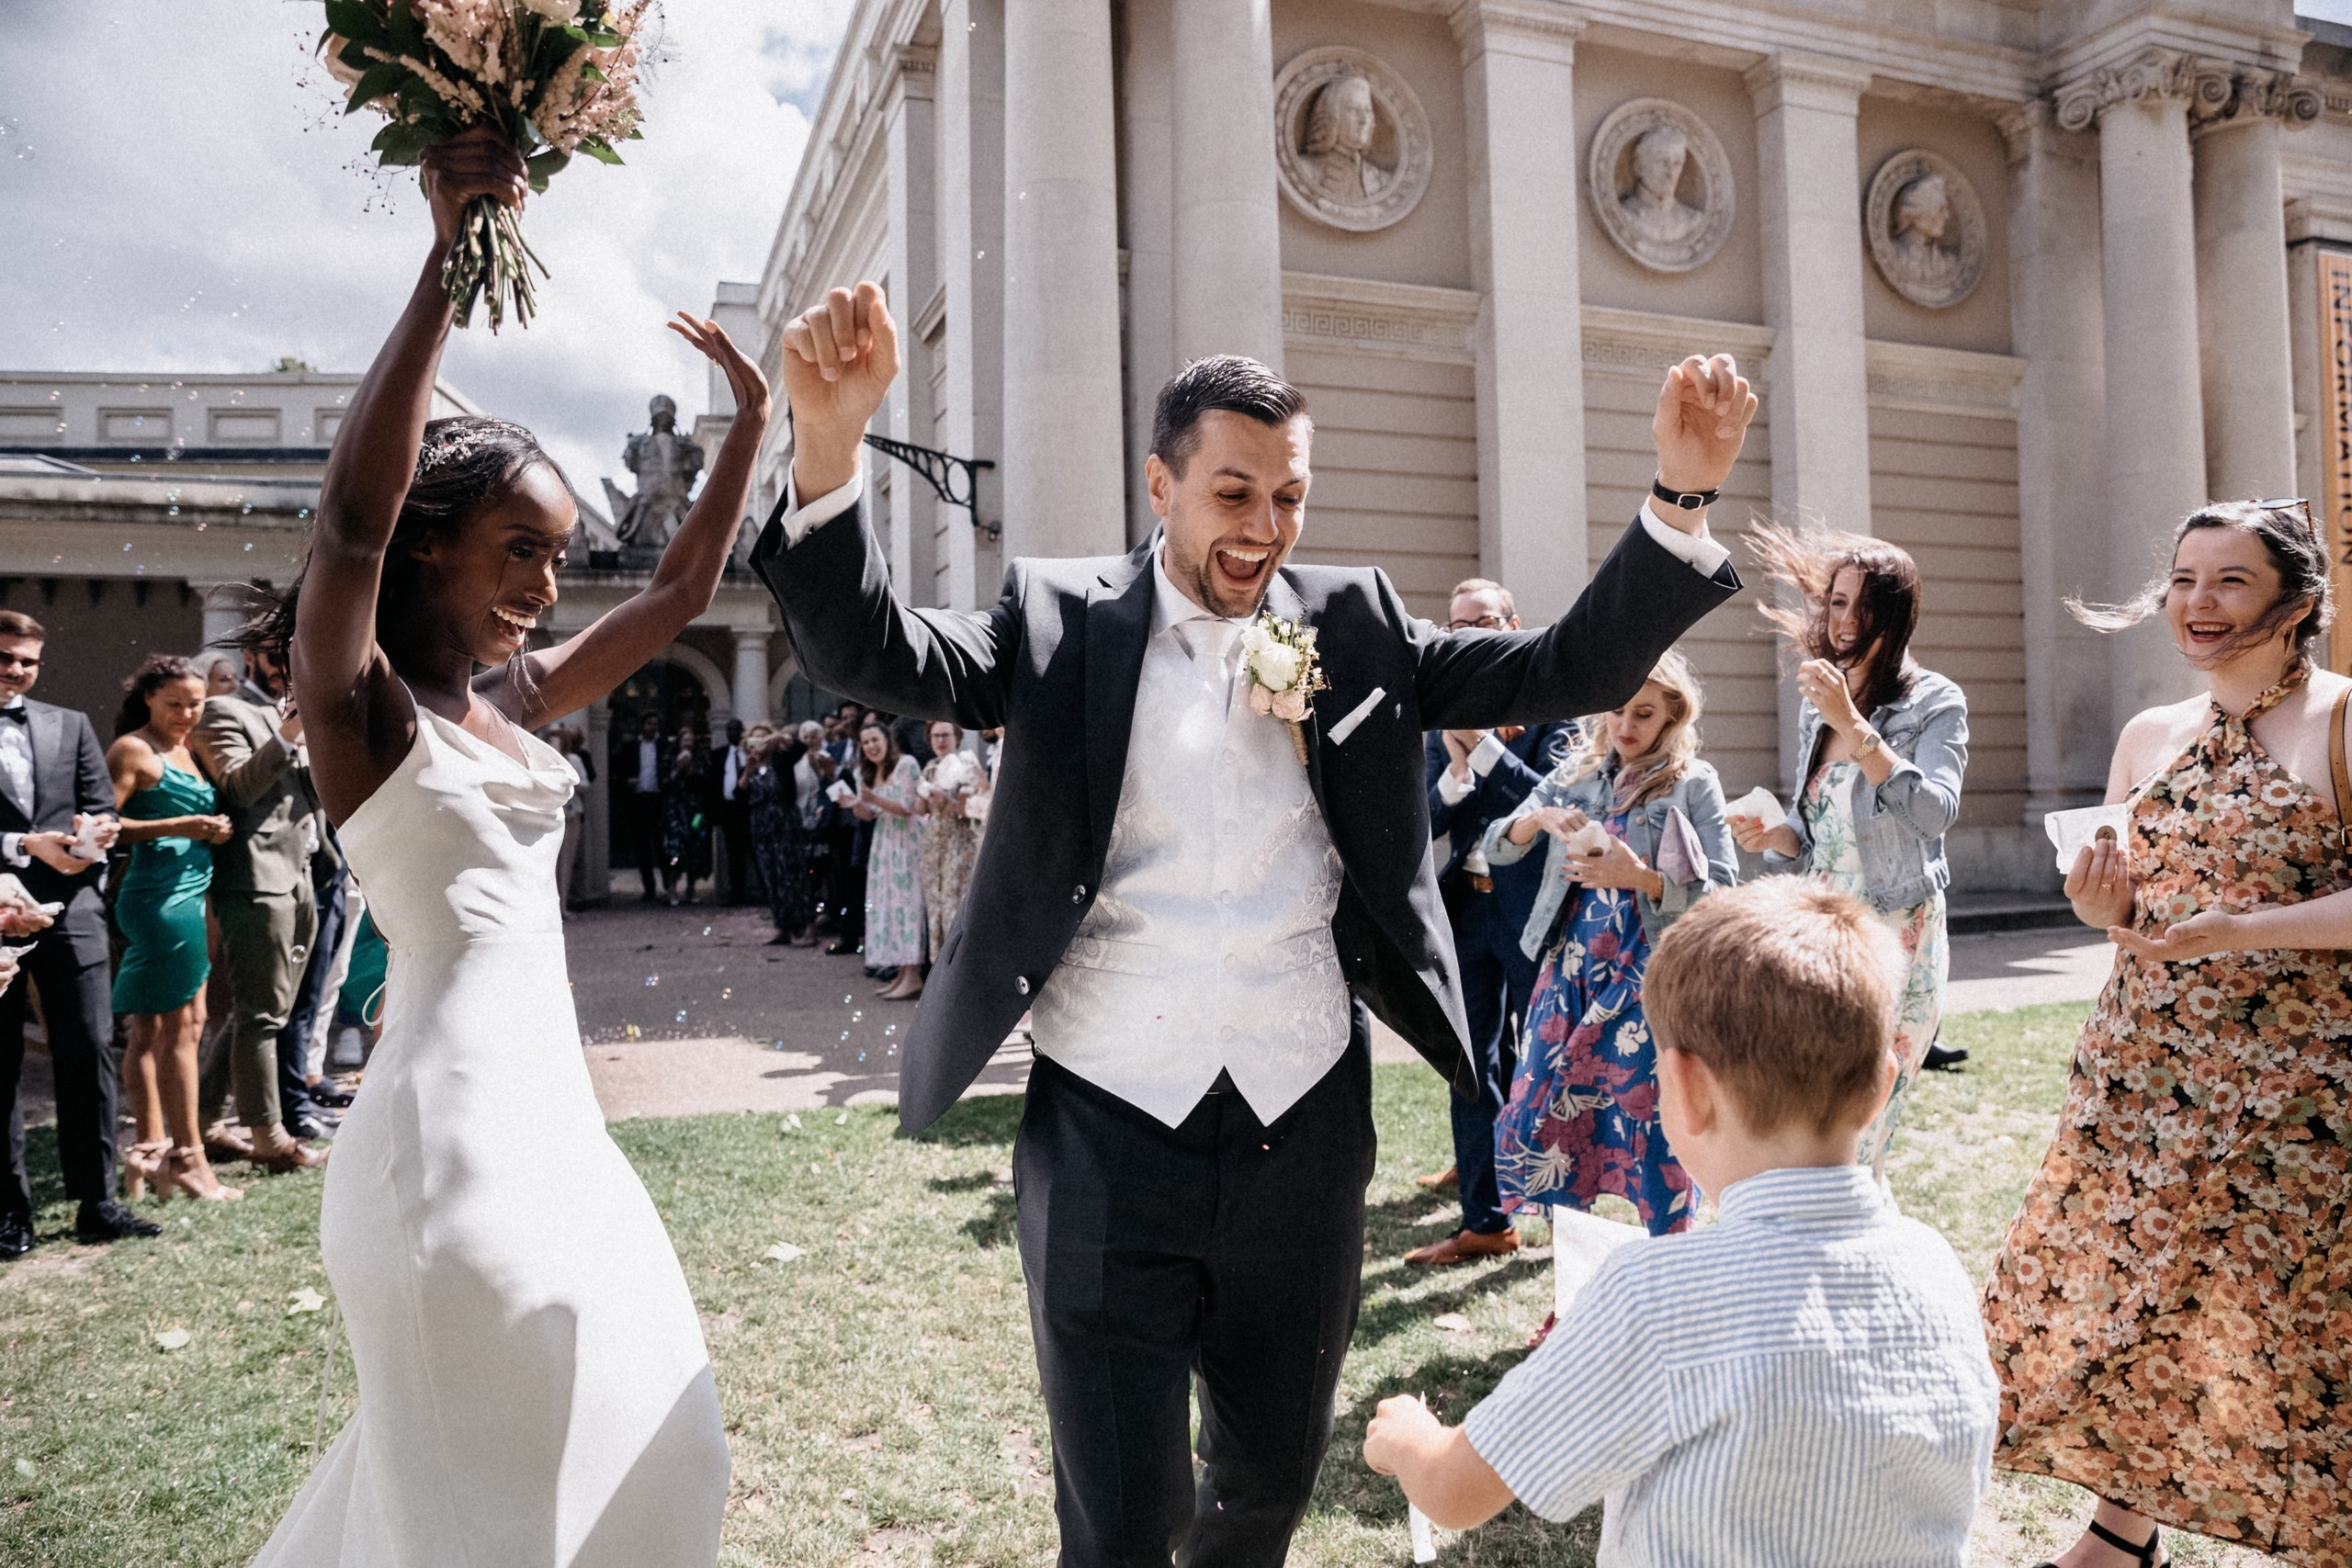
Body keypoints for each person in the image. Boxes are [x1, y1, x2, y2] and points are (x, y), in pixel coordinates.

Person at [751, 276, 1747, 1563]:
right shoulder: (1053, 622)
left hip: (1304, 1126)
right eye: (1234, 492)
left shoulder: (1358, 626)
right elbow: (871, 650)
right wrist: (827, 451)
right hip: (1106, 1122)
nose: (1266, 526)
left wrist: (1677, 500)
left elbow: (1568, 667)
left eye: (1289, 496)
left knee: (1266, 1485)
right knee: (1121, 1512)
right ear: (1159, 487)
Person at [239, 128, 765, 1565]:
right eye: (519, 551)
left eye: (554, 554)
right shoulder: (362, 710)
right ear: (428, 547)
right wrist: (443, 261)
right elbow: (348, 514)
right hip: (445, 1143)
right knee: (489, 1497)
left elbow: (678, 589)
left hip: (562, 1131)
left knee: (669, 1440)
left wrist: (753, 426)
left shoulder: (509, 699)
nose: (546, 585)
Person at [1362, 878, 1999, 1562]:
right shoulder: (1938, 1269)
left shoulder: (1655, 1295)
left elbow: (1457, 1489)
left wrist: (1409, 1438)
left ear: (1687, 1089)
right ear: (1882, 1085)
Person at [1984, 499, 2352, 1565]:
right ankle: (2117, 1530)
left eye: (2229, 581)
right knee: (2124, 1301)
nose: (2197, 603)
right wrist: (2099, 907)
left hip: (2297, 1091)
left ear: (2297, 601)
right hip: (2141, 1072)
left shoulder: (2340, 721)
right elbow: (2119, 908)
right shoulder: (2148, 734)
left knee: (2284, 1321)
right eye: (2185, 579)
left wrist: (2240, 930)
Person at [1727, 525, 1965, 1172]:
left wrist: (1855, 726)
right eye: (1836, 601)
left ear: (1898, 614)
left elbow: (1933, 814)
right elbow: (1819, 837)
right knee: (1809, 1106)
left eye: (1865, 604)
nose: (1847, 619)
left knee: (1868, 1112)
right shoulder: (1817, 707)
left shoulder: (1935, 702)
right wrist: (1777, 836)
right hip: (1822, 929)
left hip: (1895, 930)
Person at [1483, 649, 1736, 1244]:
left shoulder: (1694, 783)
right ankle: (1575, 1300)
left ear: (1673, 716)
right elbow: (1497, 844)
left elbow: (1725, 889)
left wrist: (1642, 877)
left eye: (1643, 714)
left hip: (1650, 982)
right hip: (1570, 975)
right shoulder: (1579, 775)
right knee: (1550, 1127)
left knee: (1657, 1136)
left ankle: (1670, 1289)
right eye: (1617, 710)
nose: (1625, 726)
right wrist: (1539, 818)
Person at [1404, 577, 1577, 1268]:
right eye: (1454, 626)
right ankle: (1486, 1217)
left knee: (1549, 1064)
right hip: (1465, 911)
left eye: (1479, 622)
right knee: (1470, 1065)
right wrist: (1450, 769)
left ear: (1513, 624)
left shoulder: (1555, 702)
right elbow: (1422, 816)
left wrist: (1481, 748)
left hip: (1533, 916)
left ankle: (1567, 1215)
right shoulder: (1446, 709)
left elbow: (1551, 804)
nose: (1465, 636)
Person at [0, 608, 146, 1258]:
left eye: (26, 661)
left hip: (73, 909)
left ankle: (98, 1201)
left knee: (89, 1047)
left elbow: (100, 806)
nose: (16, 671)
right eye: (4, 658)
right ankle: (11, 1212)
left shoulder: (70, 724)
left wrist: (97, 835)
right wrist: (25, 845)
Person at [191, 639, 332, 1173]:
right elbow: (239, 788)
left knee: (267, 1010)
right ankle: (270, 1137)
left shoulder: (288, 714)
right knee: (260, 1014)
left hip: (302, 873)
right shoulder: (223, 710)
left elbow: (312, 797)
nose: (292, 667)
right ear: (256, 656)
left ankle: (206, 1121)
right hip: (253, 877)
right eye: (281, 654)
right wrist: (291, 731)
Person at [106, 656, 237, 1203]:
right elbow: (103, 827)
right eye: (174, 704)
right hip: (158, 898)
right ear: (148, 701)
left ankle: (150, 1149)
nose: (186, 714)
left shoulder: (186, 748)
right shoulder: (133, 748)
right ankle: (188, 1159)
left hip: (188, 894)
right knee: (185, 1025)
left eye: (196, 704)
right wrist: (185, 825)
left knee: (151, 1027)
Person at [851, 719, 925, 998]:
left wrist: (875, 799)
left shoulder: (906, 764)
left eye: (875, 740)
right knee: (887, 904)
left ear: (887, 740)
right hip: (883, 842)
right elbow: (869, 815)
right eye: (866, 742)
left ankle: (913, 974)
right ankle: (901, 974)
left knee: (907, 904)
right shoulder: (864, 772)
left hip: (907, 841)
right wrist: (857, 804)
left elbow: (909, 808)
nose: (871, 746)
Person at [916, 718, 983, 966]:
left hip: (958, 840)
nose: (941, 741)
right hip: (933, 842)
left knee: (955, 904)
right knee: (934, 904)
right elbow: (920, 809)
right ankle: (936, 970)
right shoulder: (931, 768)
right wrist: (921, 792)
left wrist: (944, 798)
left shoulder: (966, 766)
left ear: (956, 737)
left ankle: (957, 968)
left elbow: (968, 810)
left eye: (945, 735)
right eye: (936, 736)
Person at [743, 728, 816, 946]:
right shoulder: (753, 765)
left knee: (792, 875)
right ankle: (782, 926)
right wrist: (748, 770)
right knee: (771, 876)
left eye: (764, 737)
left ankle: (805, 926)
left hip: (784, 822)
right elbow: (740, 791)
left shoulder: (782, 759)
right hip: (762, 825)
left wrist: (781, 737)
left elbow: (800, 747)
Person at [659, 728, 711, 906]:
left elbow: (705, 783)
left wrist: (690, 771)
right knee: (675, 851)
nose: (688, 743)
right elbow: (663, 784)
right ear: (679, 742)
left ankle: (691, 887)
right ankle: (672, 887)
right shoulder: (668, 760)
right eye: (685, 740)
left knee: (695, 849)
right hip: (675, 812)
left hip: (695, 813)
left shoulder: (700, 760)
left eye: (691, 740)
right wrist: (677, 770)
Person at [626, 709, 665, 902]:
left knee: (662, 846)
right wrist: (628, 781)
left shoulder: (664, 747)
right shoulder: (631, 747)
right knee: (643, 848)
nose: (652, 727)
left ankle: (668, 886)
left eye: (655, 724)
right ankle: (649, 889)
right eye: (649, 723)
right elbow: (619, 769)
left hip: (659, 801)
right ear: (643, 726)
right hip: (639, 801)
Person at [710, 717, 751, 904]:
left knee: (755, 852)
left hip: (750, 810)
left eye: (736, 730)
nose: (733, 734)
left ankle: (761, 891)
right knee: (733, 854)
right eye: (730, 730)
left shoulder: (750, 754)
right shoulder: (718, 755)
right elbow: (713, 785)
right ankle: (736, 893)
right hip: (729, 811)